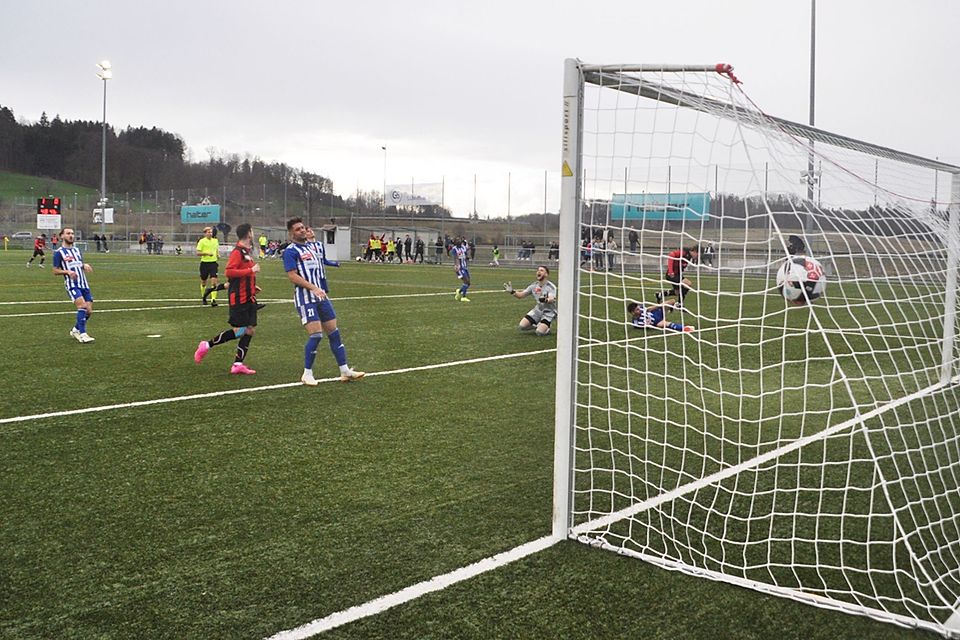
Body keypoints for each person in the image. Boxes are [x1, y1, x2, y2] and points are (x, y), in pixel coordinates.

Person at [283, 217, 364, 386]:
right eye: (298, 229)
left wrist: (322, 288)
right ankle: (307, 373)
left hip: (321, 297)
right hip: (306, 298)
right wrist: (312, 287)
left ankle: (345, 371)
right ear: (291, 233)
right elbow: (292, 275)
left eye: (303, 227)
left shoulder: (313, 248)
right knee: (316, 335)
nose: (303, 230)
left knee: (334, 333)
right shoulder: (291, 251)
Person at [194, 223, 261, 375]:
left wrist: (253, 287)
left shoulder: (246, 251)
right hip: (239, 298)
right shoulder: (237, 252)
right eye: (252, 230)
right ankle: (206, 345)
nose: (253, 233)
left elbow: (244, 275)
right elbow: (230, 272)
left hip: (249, 296)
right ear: (248, 234)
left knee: (250, 330)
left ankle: (238, 364)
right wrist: (251, 269)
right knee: (239, 331)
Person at [52, 228, 95, 343]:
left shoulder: (77, 250)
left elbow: (78, 264)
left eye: (72, 233)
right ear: (62, 236)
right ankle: (83, 334)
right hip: (72, 284)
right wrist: (67, 272)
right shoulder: (59, 253)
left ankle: (75, 329)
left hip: (84, 283)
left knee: (89, 311)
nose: (71, 235)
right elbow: (55, 271)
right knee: (82, 307)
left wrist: (84, 265)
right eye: (68, 233)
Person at [503, 265, 557, 336]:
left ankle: (546, 329)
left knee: (539, 333)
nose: (538, 272)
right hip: (538, 310)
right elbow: (521, 295)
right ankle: (539, 326)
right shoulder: (534, 285)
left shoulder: (550, 286)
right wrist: (512, 292)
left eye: (541, 270)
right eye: (538, 270)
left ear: (546, 274)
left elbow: (551, 299)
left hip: (548, 312)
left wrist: (545, 300)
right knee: (522, 326)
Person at [197, 226, 225, 306]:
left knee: (214, 282)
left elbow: (216, 249)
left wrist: (217, 254)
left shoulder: (215, 241)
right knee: (203, 282)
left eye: (211, 232)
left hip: (213, 263)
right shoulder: (202, 241)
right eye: (208, 232)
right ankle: (204, 297)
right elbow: (198, 253)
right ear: (205, 233)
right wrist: (206, 253)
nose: (210, 233)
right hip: (204, 264)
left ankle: (213, 300)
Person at [627, 300, 693, 333]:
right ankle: (685, 328)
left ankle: (674, 307)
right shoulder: (636, 322)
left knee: (672, 301)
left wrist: (660, 305)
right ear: (633, 312)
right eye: (637, 310)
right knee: (668, 324)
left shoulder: (641, 309)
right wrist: (647, 325)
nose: (639, 310)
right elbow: (643, 326)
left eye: (639, 308)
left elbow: (650, 308)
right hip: (657, 322)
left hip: (657, 313)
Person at [452, 237, 471, 302]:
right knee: (466, 281)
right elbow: (456, 258)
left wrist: (467, 257)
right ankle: (463, 297)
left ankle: (459, 292)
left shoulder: (463, 247)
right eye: (457, 240)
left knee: (468, 283)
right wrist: (457, 266)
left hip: (465, 267)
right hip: (459, 268)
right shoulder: (454, 249)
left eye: (459, 240)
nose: (459, 241)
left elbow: (465, 254)